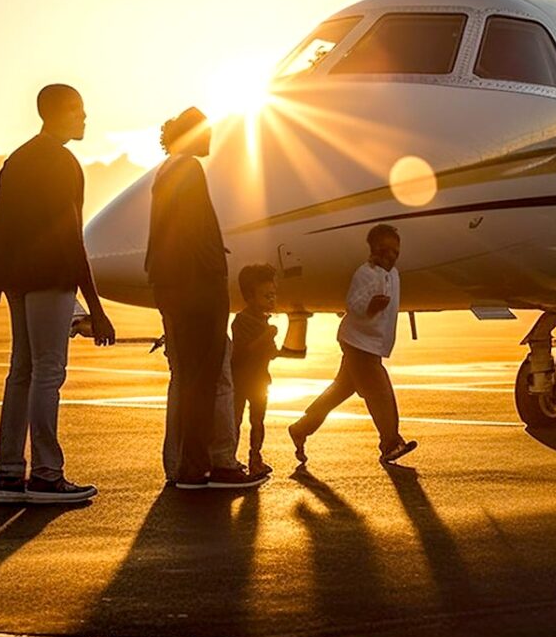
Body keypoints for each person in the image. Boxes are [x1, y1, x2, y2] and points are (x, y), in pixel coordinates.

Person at [0, 84, 115, 505]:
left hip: (17, 280)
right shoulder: (63, 163)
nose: (85, 117)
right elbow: (72, 239)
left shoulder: (18, 159)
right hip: (50, 278)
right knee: (49, 374)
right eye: (79, 110)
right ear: (59, 113)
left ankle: (9, 474)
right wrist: (95, 307)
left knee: (21, 372)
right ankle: (47, 475)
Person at [147, 107, 265, 490]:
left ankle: (183, 465)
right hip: (197, 291)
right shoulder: (188, 170)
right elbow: (194, 235)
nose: (212, 136)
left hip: (173, 287)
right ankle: (201, 468)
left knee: (185, 378)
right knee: (204, 378)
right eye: (207, 130)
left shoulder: (166, 170)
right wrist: (216, 274)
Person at [289, 224, 417, 467]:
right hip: (358, 343)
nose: (390, 256)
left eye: (395, 252)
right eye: (385, 250)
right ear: (373, 251)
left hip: (372, 344)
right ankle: (390, 443)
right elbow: (353, 304)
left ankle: (301, 428)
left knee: (340, 389)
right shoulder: (366, 274)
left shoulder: (394, 275)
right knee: (380, 391)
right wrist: (370, 307)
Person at [231, 264, 279, 477]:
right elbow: (245, 350)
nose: (271, 300)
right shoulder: (242, 320)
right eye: (266, 295)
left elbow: (271, 353)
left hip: (260, 379)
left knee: (258, 421)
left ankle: (255, 457)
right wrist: (267, 336)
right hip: (241, 379)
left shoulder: (265, 321)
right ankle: (228, 458)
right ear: (250, 297)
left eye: (273, 295)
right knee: (235, 419)